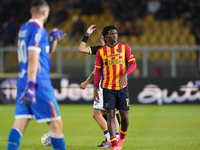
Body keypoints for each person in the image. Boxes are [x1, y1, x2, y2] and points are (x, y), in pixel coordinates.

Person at [7, 0, 67, 150]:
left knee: (20, 123)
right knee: (56, 124)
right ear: (45, 12)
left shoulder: (24, 28)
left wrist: (51, 39)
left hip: (22, 80)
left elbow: (44, 51)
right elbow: (33, 58)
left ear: (31, 11)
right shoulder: (38, 31)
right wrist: (32, 85)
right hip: (38, 82)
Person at [94, 25, 137, 150]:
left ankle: (121, 139)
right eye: (112, 34)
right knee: (110, 115)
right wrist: (95, 88)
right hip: (108, 88)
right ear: (106, 36)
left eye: (116, 33)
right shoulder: (101, 52)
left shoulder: (124, 47)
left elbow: (133, 63)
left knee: (124, 117)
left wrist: (126, 73)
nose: (115, 35)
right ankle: (114, 145)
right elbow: (97, 71)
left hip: (122, 88)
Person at [79, 25, 120, 149]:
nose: (102, 40)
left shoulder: (102, 51)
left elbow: (96, 70)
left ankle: (110, 140)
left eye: (103, 38)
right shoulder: (118, 49)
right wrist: (87, 33)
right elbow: (82, 49)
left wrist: (86, 83)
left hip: (105, 86)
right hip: (117, 86)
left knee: (96, 114)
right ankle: (116, 141)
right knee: (112, 114)